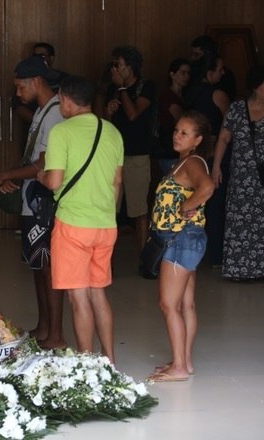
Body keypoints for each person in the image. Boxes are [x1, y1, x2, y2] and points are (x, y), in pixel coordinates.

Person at [38, 75, 124, 363]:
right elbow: (117, 182)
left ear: (66, 99)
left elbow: (54, 182)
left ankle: (87, 363)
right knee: (98, 292)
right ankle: (109, 358)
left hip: (73, 225)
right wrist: (105, 212)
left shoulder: (62, 132)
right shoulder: (112, 131)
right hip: (106, 225)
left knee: (78, 297)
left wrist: (41, 175)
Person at [0, 56, 66, 349]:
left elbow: (45, 162)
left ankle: (56, 334)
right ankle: (44, 326)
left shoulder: (57, 112)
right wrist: (17, 178)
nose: (18, 93)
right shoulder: (42, 111)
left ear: (37, 82)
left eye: (21, 87)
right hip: (33, 197)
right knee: (37, 264)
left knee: (49, 267)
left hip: (45, 200)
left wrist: (7, 174)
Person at [147, 111, 214, 382]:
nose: (177, 135)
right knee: (185, 304)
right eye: (176, 130)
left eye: (184, 133)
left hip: (181, 239)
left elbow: (207, 187)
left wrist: (187, 205)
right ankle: (184, 361)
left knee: (168, 304)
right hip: (186, 239)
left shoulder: (193, 162)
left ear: (197, 140)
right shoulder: (183, 162)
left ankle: (179, 367)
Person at [211, 65, 264, 280]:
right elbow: (224, 139)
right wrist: (216, 167)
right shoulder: (237, 108)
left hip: (262, 176)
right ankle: (239, 269)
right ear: (257, 86)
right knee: (240, 219)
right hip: (242, 177)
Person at [105, 46, 156, 255]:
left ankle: (144, 258)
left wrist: (123, 89)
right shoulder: (112, 88)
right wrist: (108, 112)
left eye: (118, 65)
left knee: (139, 210)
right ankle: (107, 259)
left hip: (137, 155)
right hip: (114, 156)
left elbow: (134, 114)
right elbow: (107, 125)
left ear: (130, 66)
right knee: (109, 209)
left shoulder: (147, 87)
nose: (114, 69)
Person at [186, 52, 230, 268]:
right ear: (209, 72)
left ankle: (196, 252)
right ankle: (215, 254)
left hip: (194, 154)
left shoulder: (190, 92)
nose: (223, 73)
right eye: (220, 69)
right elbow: (228, 126)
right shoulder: (217, 94)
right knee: (215, 205)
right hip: (213, 154)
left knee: (197, 203)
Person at [158, 58, 191, 174]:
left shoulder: (184, 96)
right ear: (172, 74)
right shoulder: (168, 97)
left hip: (178, 150)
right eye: (183, 73)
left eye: (188, 73)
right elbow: (182, 121)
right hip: (170, 151)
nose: (187, 76)